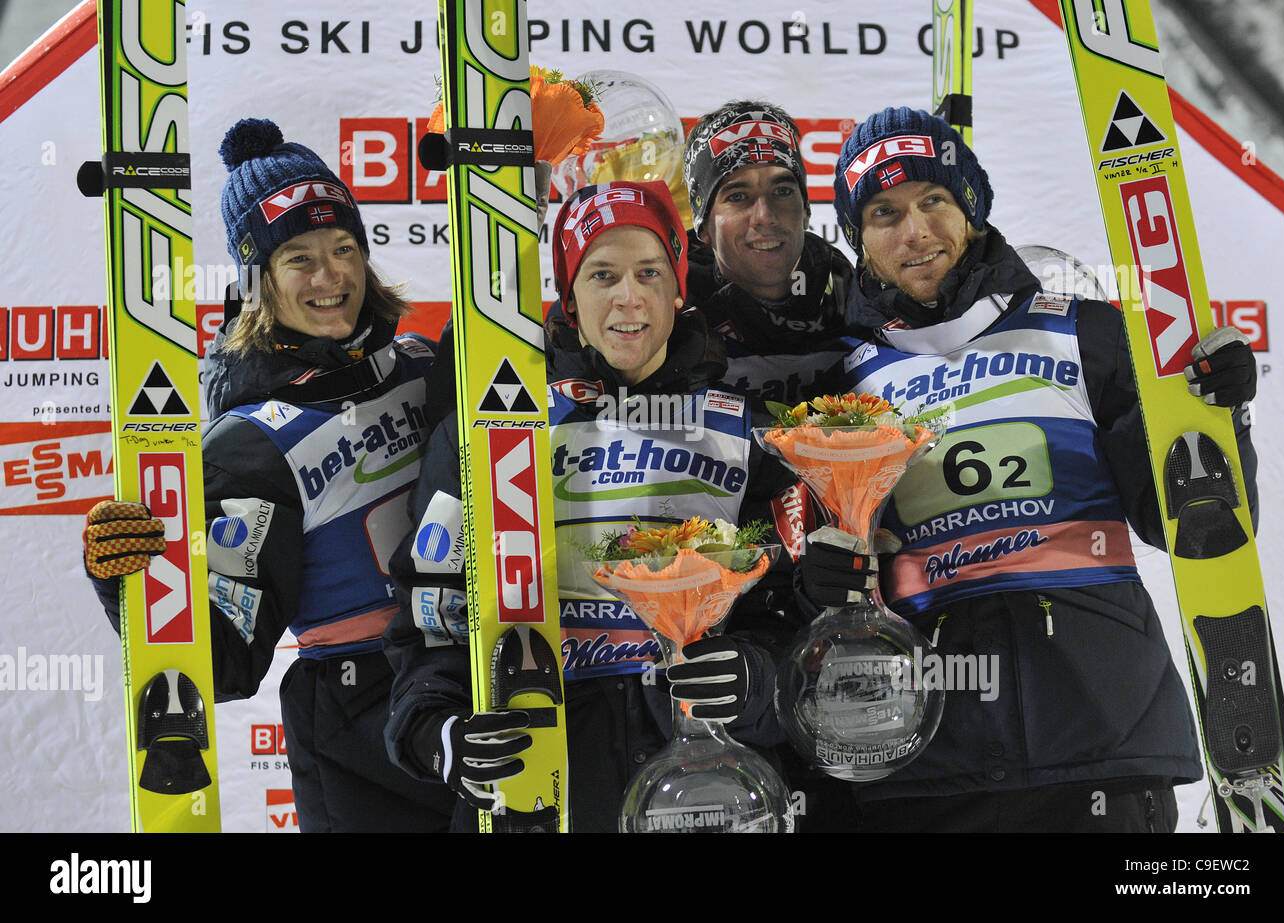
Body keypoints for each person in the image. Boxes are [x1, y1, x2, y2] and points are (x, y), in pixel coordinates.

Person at [814, 105, 1259, 832]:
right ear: (859, 243)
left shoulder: (1085, 332)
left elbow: (1184, 520)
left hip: (1101, 739)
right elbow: (832, 562)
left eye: (935, 200)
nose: (915, 230)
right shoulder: (844, 388)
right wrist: (823, 575)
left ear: (973, 208)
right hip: (928, 764)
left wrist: (1219, 413)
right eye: (884, 213)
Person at [382, 180, 796, 832]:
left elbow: (796, 622)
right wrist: (438, 732)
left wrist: (756, 678)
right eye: (602, 274)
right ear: (570, 297)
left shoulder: (747, 435)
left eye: (648, 272)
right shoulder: (492, 434)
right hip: (539, 791)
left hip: (699, 793)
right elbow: (432, 620)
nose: (628, 296)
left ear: (678, 287)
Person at [83, 118, 456, 832]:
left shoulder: (420, 363)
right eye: (299, 258)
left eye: (345, 248)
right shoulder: (249, 444)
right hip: (361, 731)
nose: (331, 276)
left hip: (469, 683)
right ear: (257, 280)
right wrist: (128, 576)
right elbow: (224, 658)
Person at [682, 101, 854, 406]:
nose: (765, 215)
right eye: (738, 196)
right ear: (704, 226)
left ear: (805, 211)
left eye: (783, 191)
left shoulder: (854, 296)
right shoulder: (668, 310)